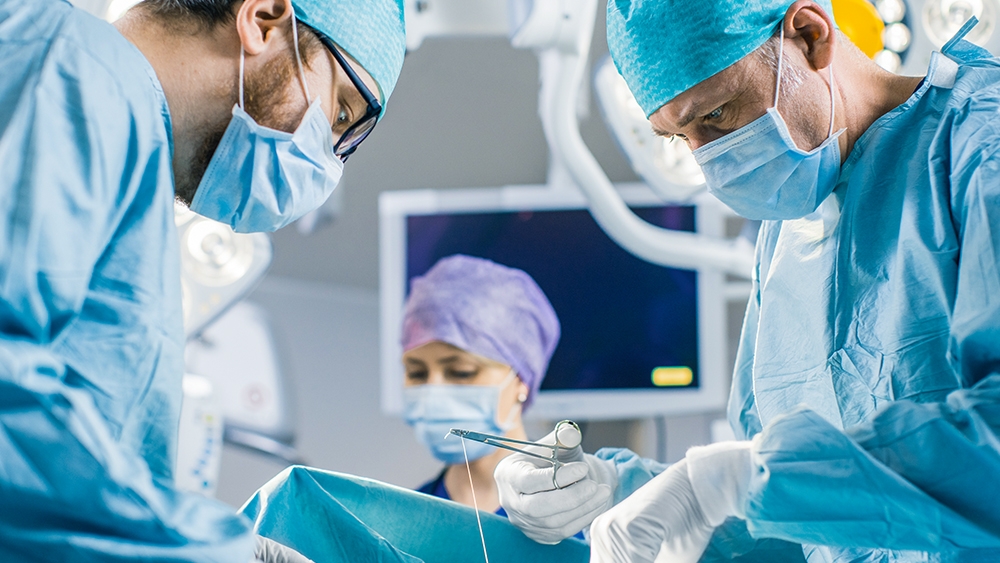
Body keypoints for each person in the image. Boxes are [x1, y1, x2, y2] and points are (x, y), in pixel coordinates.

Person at [493, 1, 1000, 562]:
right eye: (677, 137)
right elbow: (790, 531)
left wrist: (733, 482)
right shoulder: (788, 237)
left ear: (809, 35)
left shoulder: (982, 148)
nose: (709, 161)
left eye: (716, 114)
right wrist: (618, 493)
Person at [0, 0, 403, 560]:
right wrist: (209, 551)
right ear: (263, 20)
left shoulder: (132, 160)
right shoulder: (77, 73)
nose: (329, 163)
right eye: (340, 113)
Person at [400, 255, 561, 517]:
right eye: (417, 373)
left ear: (521, 380)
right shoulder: (404, 520)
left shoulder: (579, 517)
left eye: (461, 372)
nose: (434, 392)